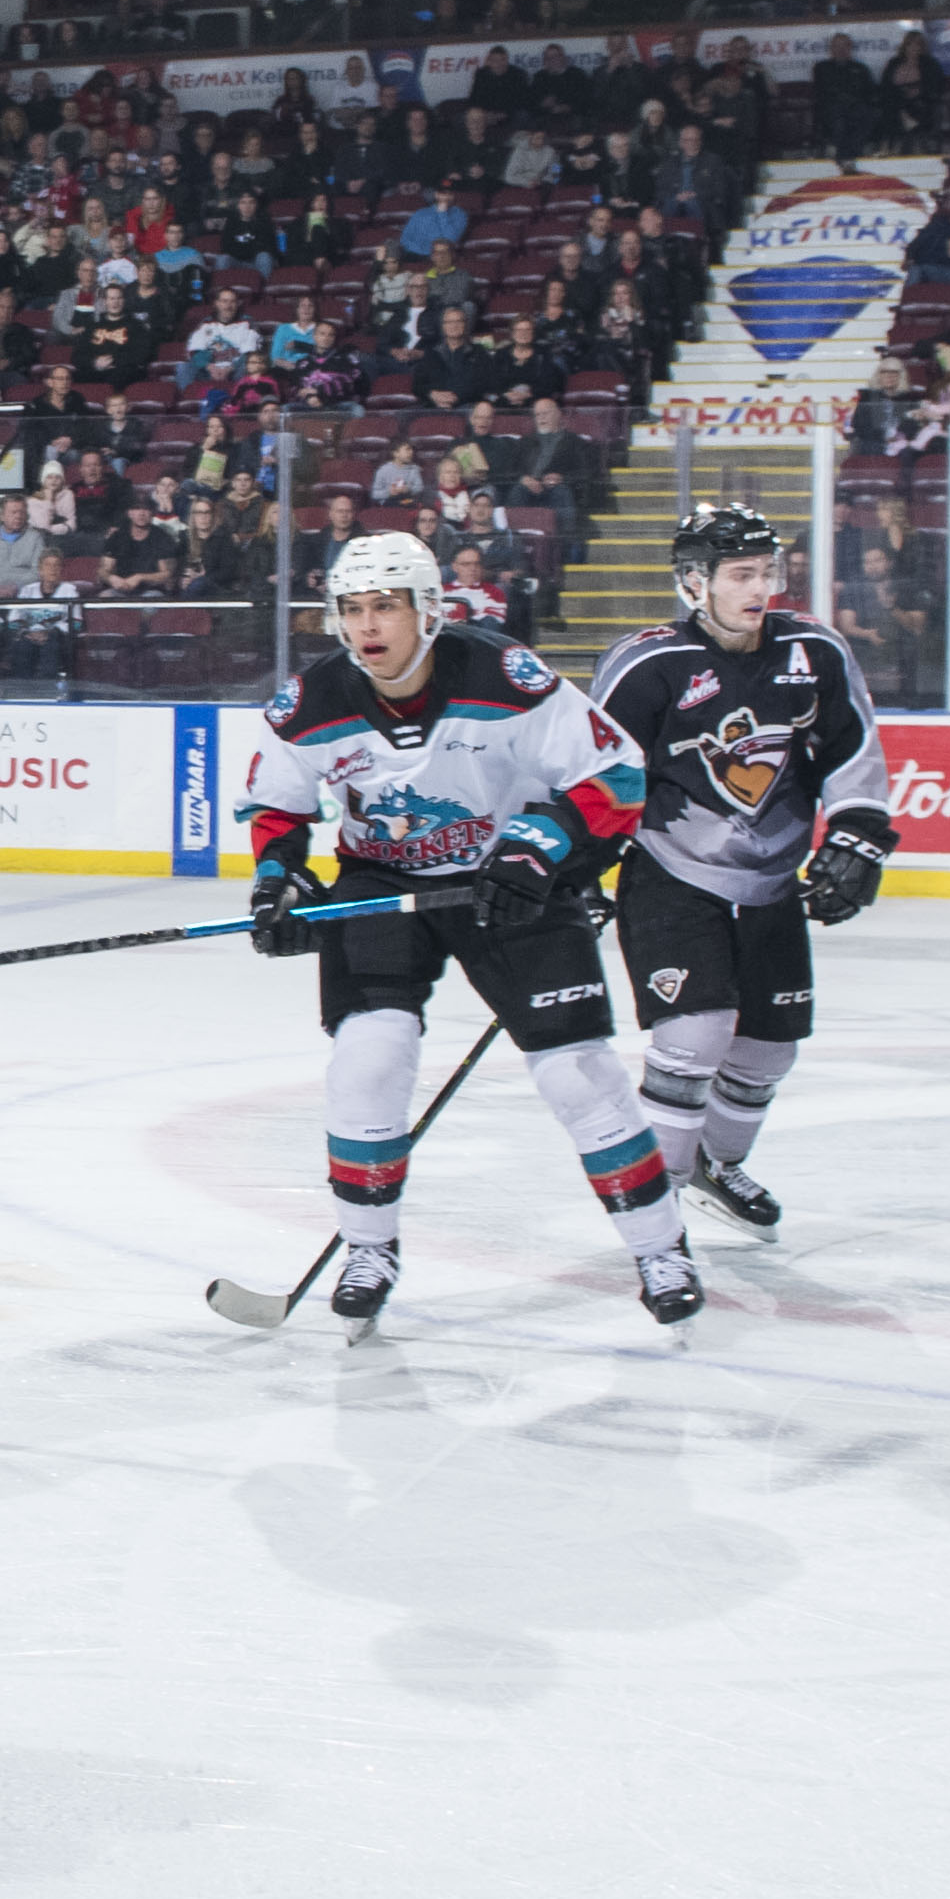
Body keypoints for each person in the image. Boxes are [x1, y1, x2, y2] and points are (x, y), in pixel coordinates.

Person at [242, 530, 705, 1329]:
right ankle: (368, 1250)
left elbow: (616, 773)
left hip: (508, 880)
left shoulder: (502, 675)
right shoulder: (310, 702)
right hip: (382, 883)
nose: (367, 626)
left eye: (385, 605)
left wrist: (540, 848)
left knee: (577, 1074)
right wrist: (278, 883)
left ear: (429, 609)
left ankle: (661, 1248)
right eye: (352, 609)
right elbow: (278, 808)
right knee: (368, 1061)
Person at [585, 507, 899, 1240]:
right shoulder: (647, 664)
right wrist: (576, 869)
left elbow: (851, 747)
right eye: (741, 574)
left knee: (768, 1048)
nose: (761, 588)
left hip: (770, 879)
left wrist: (858, 834)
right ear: (695, 583)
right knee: (694, 1035)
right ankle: (658, 1206)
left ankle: (716, 1169)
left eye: (768, 572)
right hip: (670, 871)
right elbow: (597, 774)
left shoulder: (813, 651)